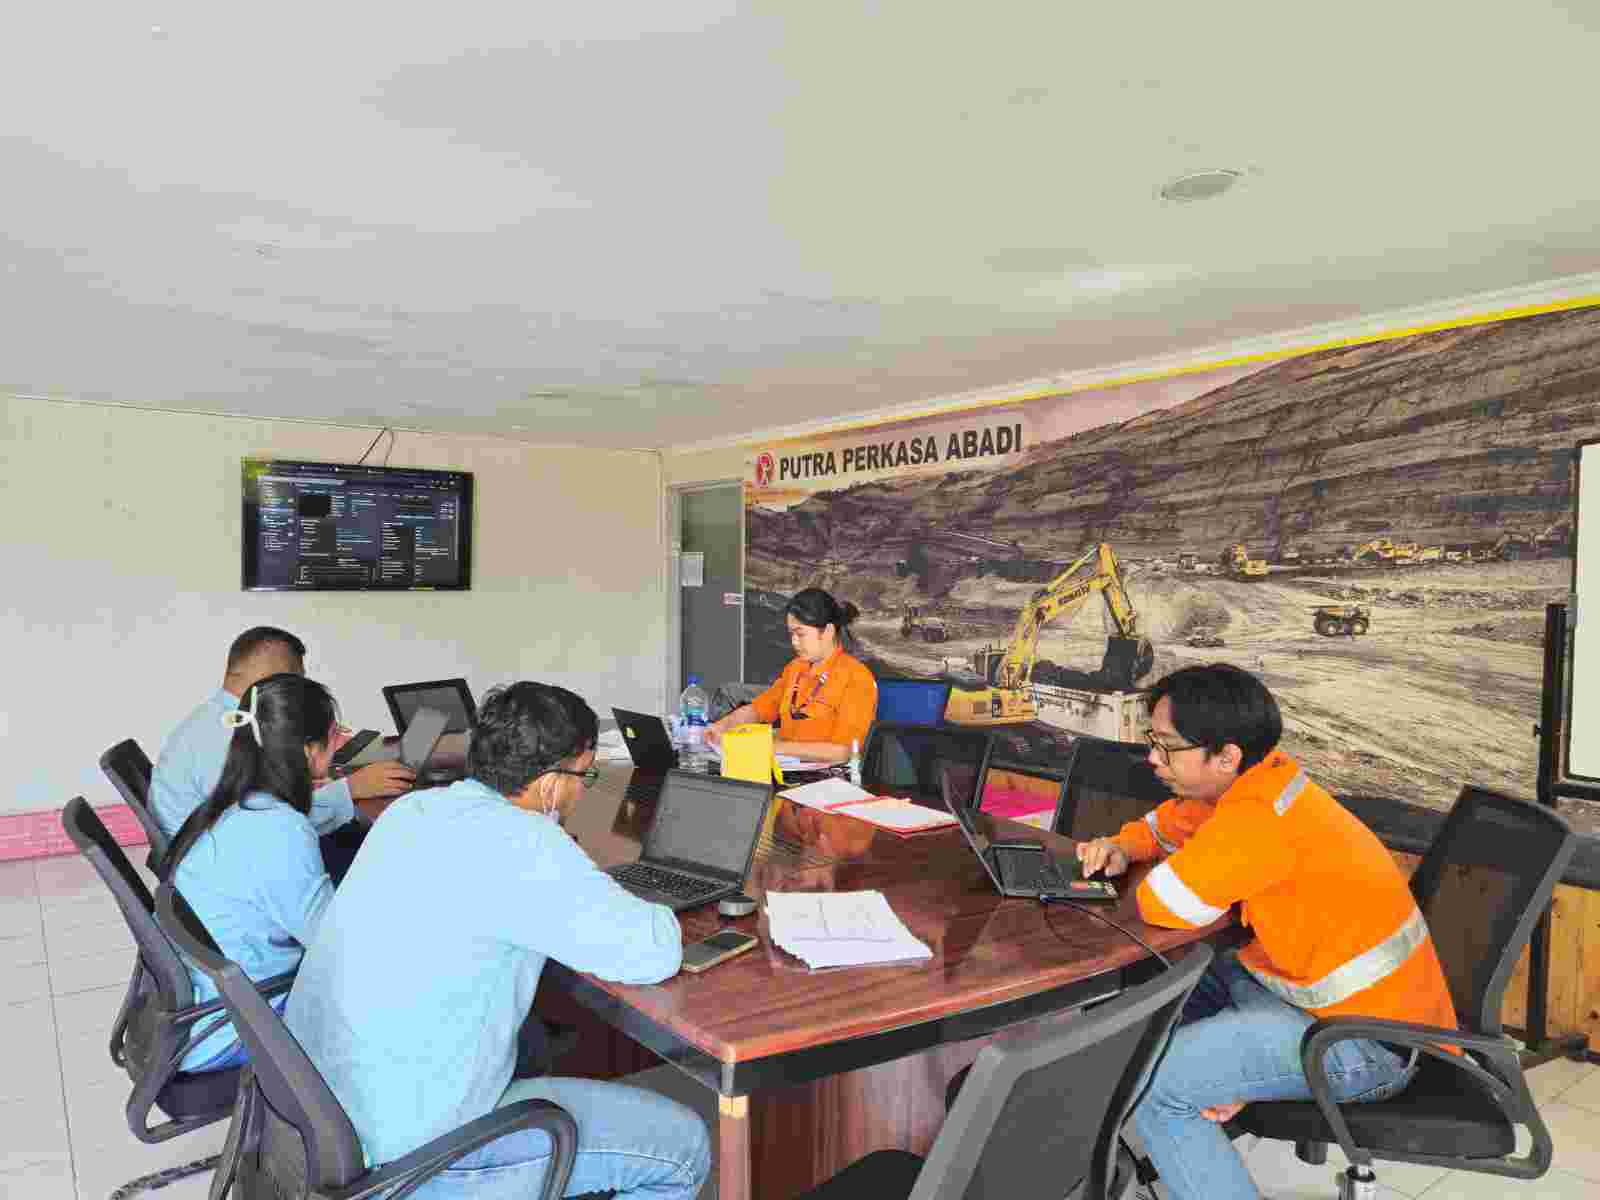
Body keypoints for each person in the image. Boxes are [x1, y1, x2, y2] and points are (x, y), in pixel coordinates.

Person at [284, 682, 711, 1200]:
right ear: (550, 784)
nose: (581, 793)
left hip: (321, 1119)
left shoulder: (412, 811)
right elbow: (654, 951)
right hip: (415, 1155)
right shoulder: (527, 845)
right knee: (684, 1148)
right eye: (583, 776)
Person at [1076, 664, 1455, 1200]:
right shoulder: (1255, 784)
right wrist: (1123, 845)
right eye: (1152, 741)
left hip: (1366, 1042)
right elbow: (1164, 826)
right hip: (1288, 993)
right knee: (1137, 1012)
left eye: (1167, 746)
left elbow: (1163, 904)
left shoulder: (1257, 820)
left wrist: (1189, 864)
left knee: (1159, 1086)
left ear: (1226, 756)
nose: (1153, 758)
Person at [167, 673, 341, 1071]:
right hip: (237, 1029)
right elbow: (335, 946)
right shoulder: (279, 831)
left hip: (209, 1012)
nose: (337, 745)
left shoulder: (235, 807)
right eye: (334, 735)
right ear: (309, 751)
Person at [150, 627, 414, 879]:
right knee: (387, 855)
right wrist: (350, 790)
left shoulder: (223, 718)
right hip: (239, 868)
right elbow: (266, 827)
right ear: (277, 680)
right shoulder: (227, 734)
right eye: (297, 680)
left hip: (220, 860)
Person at [706, 587, 878, 764]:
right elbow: (758, 709)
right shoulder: (795, 668)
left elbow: (842, 751)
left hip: (828, 776)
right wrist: (723, 725)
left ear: (828, 631)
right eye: (791, 634)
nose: (794, 642)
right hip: (785, 770)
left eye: (800, 634)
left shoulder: (857, 677)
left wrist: (771, 748)